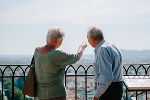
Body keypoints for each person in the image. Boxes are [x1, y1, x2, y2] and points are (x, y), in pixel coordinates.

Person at [34, 27, 87, 100]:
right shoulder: (56, 54)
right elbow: (76, 57)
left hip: (41, 94)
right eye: (61, 40)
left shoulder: (37, 51)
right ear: (56, 40)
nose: (61, 43)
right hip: (56, 93)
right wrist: (82, 47)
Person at [87, 26, 123, 100]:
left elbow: (107, 77)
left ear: (91, 39)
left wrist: (96, 96)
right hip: (118, 87)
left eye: (88, 39)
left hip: (108, 91)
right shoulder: (113, 46)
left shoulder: (102, 50)